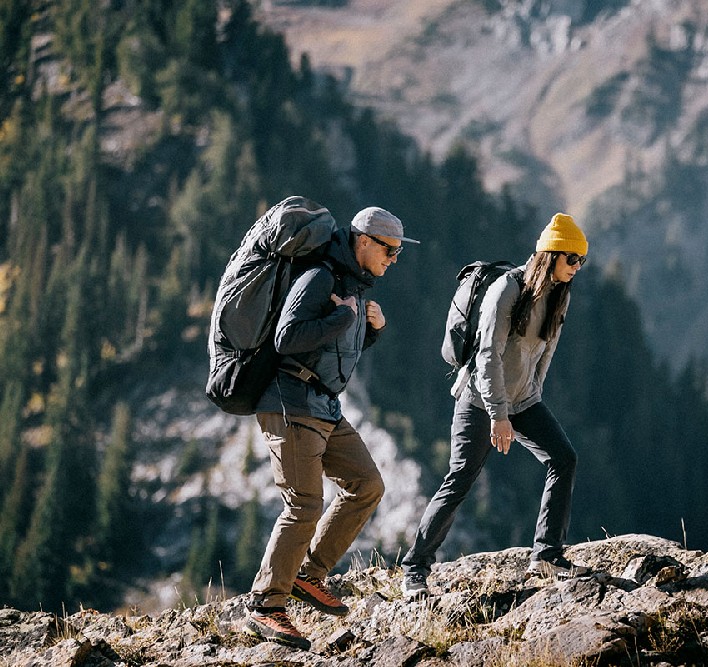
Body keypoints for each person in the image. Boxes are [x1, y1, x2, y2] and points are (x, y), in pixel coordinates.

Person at [245, 206, 419, 650]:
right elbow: (288, 338)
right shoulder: (320, 277)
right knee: (303, 504)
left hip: (323, 404)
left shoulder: (352, 284)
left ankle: (308, 575)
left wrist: (370, 329)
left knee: (367, 484)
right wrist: (345, 318)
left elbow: (334, 346)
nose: (394, 259)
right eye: (390, 249)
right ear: (363, 241)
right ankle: (266, 604)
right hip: (291, 401)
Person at [401, 212, 590, 599]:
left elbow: (545, 352)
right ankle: (414, 568)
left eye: (581, 261)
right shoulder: (507, 289)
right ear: (550, 254)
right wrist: (498, 415)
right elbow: (487, 354)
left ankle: (548, 554)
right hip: (479, 397)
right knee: (460, 479)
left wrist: (531, 394)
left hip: (523, 399)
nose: (577, 267)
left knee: (563, 458)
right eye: (572, 258)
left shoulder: (560, 293)